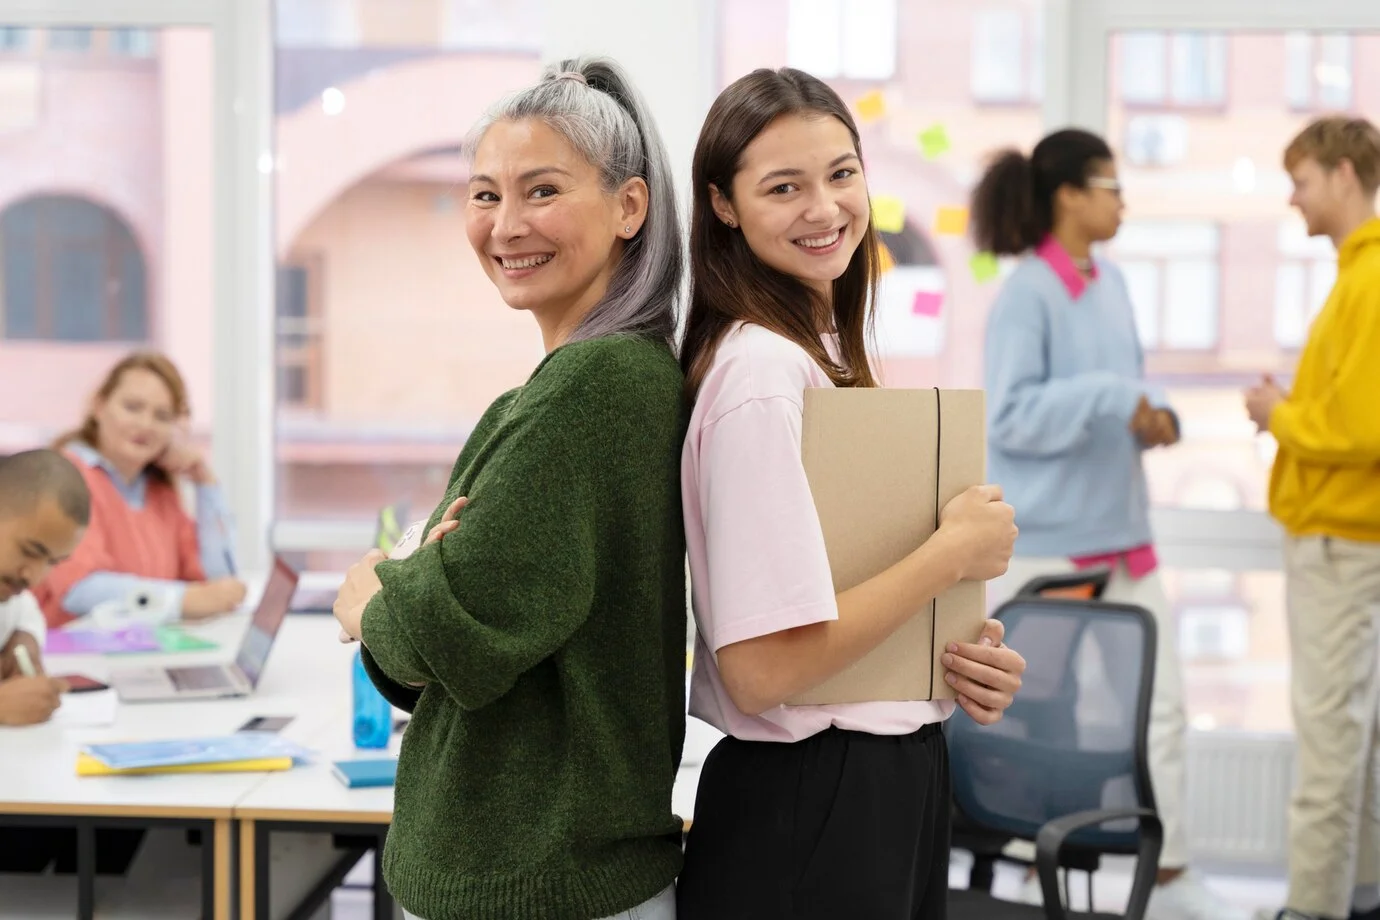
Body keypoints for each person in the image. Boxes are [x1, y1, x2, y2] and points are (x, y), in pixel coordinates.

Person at [330, 57, 688, 920]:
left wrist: (370, 595)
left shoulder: (593, 390)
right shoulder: (576, 386)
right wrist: (417, 590)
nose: (505, 223)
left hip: (536, 884)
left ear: (629, 207)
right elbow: (441, 642)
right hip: (550, 873)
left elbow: (438, 632)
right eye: (485, 194)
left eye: (541, 190)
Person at [674, 67, 1026, 920]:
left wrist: (949, 664)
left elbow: (832, 605)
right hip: (814, 806)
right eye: (783, 187)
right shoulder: (761, 372)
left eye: (840, 174)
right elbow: (761, 671)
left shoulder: (821, 346)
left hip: (872, 789)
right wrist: (947, 558)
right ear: (722, 204)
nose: (825, 208)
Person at [971, 128, 1247, 920]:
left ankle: (1170, 871)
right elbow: (1014, 415)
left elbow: (1118, 391)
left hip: (1125, 535)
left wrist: (1148, 417)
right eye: (1110, 184)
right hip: (1051, 547)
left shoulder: (1116, 283)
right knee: (1030, 716)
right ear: (1068, 195)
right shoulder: (1027, 293)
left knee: (1160, 707)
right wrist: (1109, 397)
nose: (1122, 200)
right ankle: (1026, 866)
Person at [1246, 116, 1380, 920]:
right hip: (1344, 537)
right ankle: (1356, 898)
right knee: (1353, 745)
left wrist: (1278, 414)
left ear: (1340, 172)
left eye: (1300, 180)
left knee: (1329, 745)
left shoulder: (1368, 279)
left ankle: (1312, 910)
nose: (1294, 199)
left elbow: (1363, 431)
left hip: (1341, 538)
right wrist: (1298, 410)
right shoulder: (1354, 274)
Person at [34, 352, 244, 628]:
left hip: (135, 662)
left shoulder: (159, 492)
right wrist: (183, 600)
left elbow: (218, 582)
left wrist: (204, 482)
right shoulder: (64, 477)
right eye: (132, 407)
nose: (145, 425)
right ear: (99, 406)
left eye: (161, 416)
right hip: (70, 662)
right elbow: (78, 589)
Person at [0, 450, 87, 726]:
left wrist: (25, 637)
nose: (35, 576)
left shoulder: (9, 592)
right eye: (29, 551)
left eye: (52, 562)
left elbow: (26, 609)